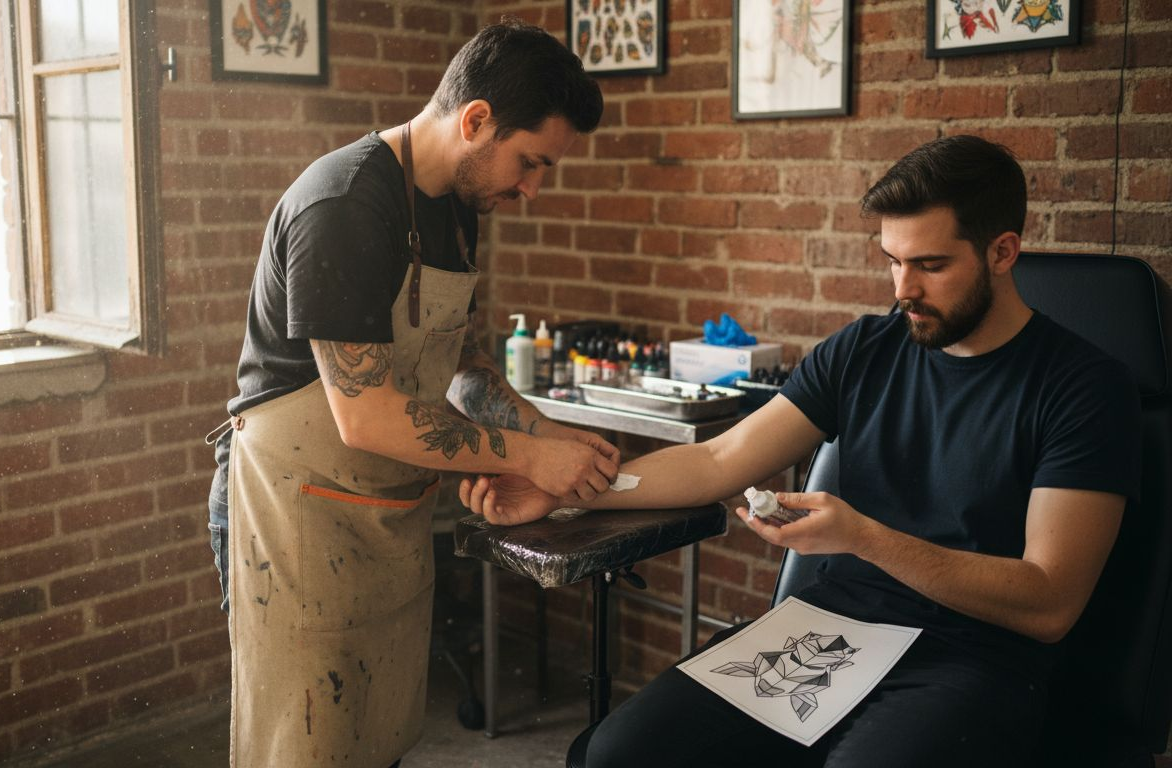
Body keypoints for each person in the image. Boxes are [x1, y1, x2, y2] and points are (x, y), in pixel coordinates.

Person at [459, 135, 1142, 767]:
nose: (903, 289)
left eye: (931, 266)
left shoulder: (1083, 389)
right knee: (618, 754)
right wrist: (570, 491)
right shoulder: (867, 349)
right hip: (834, 631)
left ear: (1002, 252)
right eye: (893, 261)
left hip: (973, 657)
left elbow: (1051, 602)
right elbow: (718, 461)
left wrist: (866, 538)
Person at [207, 18, 618, 768]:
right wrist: (526, 458)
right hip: (294, 511)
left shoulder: (458, 206)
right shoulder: (345, 205)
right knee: (301, 745)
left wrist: (543, 435)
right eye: (530, 162)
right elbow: (364, 414)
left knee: (378, 739)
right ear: (475, 120)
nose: (532, 188)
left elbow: (462, 362)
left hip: (384, 511)